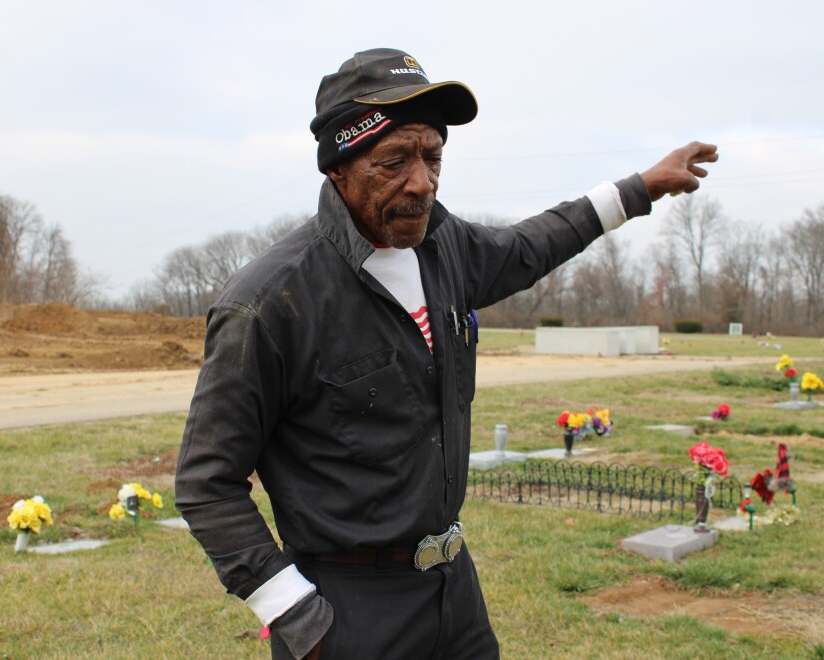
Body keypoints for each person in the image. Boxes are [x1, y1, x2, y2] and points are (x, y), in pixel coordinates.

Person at [175, 47, 718, 659]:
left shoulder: (445, 247)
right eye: (394, 161)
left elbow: (531, 244)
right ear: (338, 167)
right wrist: (295, 615)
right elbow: (207, 482)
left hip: (454, 591)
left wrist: (638, 187)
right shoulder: (270, 303)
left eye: (433, 157)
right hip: (347, 612)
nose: (422, 182)